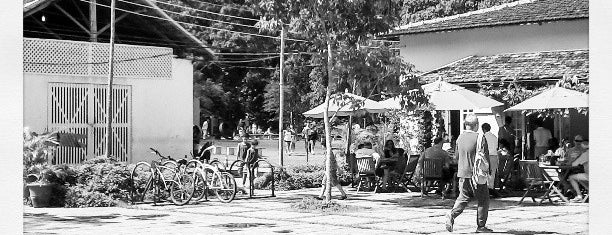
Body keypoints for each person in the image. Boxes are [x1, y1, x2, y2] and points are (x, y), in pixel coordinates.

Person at [446, 114, 492, 233]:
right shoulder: (480, 138)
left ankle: (452, 215)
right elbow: (485, 157)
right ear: (476, 125)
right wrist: (489, 172)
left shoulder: (460, 138)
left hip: (462, 173)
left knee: (463, 198)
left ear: (465, 124)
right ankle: (481, 226)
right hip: (476, 175)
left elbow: (455, 157)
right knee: (483, 200)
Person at [482, 123, 501, 198]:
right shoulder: (494, 137)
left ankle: (486, 188)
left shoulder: (484, 137)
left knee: (485, 172)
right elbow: (496, 147)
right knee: (492, 173)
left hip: (486, 156)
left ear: (483, 129)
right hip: (494, 155)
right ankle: (491, 187)